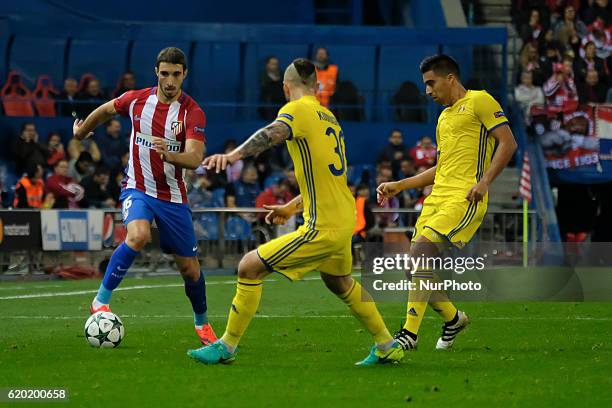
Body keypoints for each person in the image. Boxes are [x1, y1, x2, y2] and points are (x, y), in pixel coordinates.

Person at [189, 58, 403, 365]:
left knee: (249, 266)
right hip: (344, 218)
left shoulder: (296, 109)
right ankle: (386, 344)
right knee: (339, 281)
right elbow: (330, 180)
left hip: (323, 225)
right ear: (317, 86)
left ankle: (226, 346)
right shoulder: (330, 118)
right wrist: (292, 205)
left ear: (286, 87)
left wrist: (233, 154)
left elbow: (272, 133)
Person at [72, 46, 217, 345]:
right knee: (137, 236)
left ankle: (202, 323)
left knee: (190, 270)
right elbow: (106, 109)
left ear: (184, 74)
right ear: (156, 72)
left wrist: (171, 156)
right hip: (138, 187)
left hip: (173, 197)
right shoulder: (138, 100)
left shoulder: (193, 112)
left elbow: (194, 158)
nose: (170, 81)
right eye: (165, 73)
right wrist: (82, 131)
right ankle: (100, 300)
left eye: (176, 74)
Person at [377, 55, 517, 352]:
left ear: (450, 78)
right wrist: (399, 185)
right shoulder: (442, 118)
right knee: (414, 269)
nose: (427, 90)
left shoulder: (480, 101)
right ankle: (454, 319)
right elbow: (441, 167)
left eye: (431, 83)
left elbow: (508, 143)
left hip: (465, 197)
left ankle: (408, 335)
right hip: (436, 198)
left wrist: (485, 182)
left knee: (420, 253)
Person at [258, 56, 285, 120]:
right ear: (267, 65)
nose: (275, 66)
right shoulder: (262, 76)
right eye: (273, 64)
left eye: (276, 64)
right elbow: (264, 88)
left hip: (281, 105)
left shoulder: (282, 75)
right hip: (267, 106)